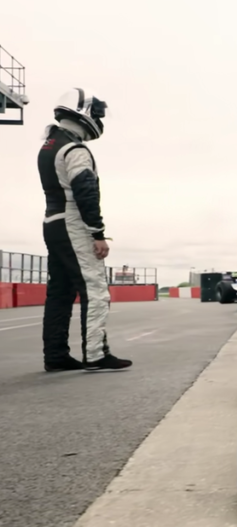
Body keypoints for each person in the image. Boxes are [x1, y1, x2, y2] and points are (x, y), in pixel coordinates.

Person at [37, 87, 132, 372]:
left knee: (60, 291)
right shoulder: (75, 149)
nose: (99, 120)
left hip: (52, 222)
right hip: (73, 223)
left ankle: (55, 355)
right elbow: (86, 191)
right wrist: (97, 233)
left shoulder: (49, 144)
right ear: (85, 113)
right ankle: (96, 354)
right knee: (95, 289)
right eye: (97, 115)